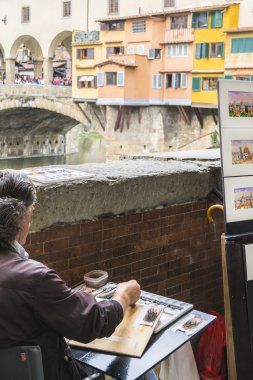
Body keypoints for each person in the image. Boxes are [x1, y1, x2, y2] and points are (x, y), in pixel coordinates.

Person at [0, 169, 141, 380]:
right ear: (23, 218)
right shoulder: (34, 279)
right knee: (135, 368)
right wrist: (124, 296)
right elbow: (94, 322)